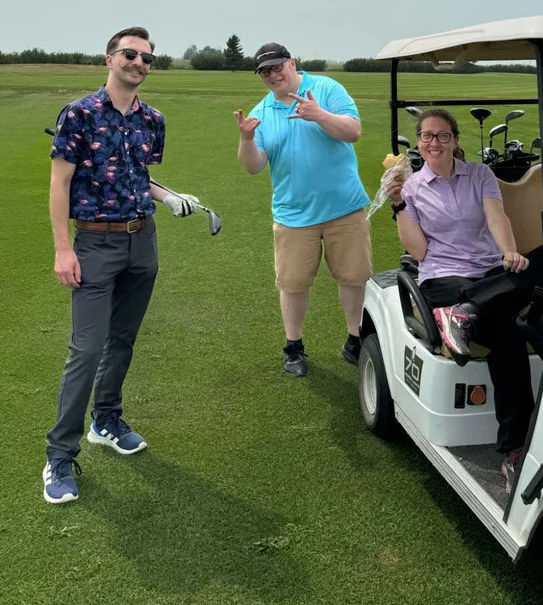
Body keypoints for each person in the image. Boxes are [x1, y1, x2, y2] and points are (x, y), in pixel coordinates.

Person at [44, 26, 204, 505]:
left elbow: (137, 175)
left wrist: (169, 197)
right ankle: (59, 456)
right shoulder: (79, 114)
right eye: (130, 54)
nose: (139, 62)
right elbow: (59, 184)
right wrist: (62, 248)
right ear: (109, 59)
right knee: (86, 349)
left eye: (147, 58)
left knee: (123, 339)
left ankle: (106, 420)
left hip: (142, 242)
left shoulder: (152, 119)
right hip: (94, 243)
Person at [387, 107, 543, 494]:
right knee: (507, 334)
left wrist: (509, 252)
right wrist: (397, 205)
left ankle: (469, 311)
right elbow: (419, 252)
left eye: (443, 135)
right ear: (420, 144)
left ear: (456, 141)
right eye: (427, 136)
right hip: (443, 277)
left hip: (489, 271)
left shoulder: (480, 175)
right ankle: (515, 449)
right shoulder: (411, 188)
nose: (434, 143)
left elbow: (497, 220)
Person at [234, 42, 371, 378]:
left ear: (292, 63)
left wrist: (318, 114)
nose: (272, 75)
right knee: (293, 284)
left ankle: (356, 339)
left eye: (277, 67)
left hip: (345, 208)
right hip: (293, 216)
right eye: (265, 71)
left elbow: (353, 132)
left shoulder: (326, 88)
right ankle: (293, 346)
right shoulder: (262, 112)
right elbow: (254, 166)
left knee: (354, 278)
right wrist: (247, 140)